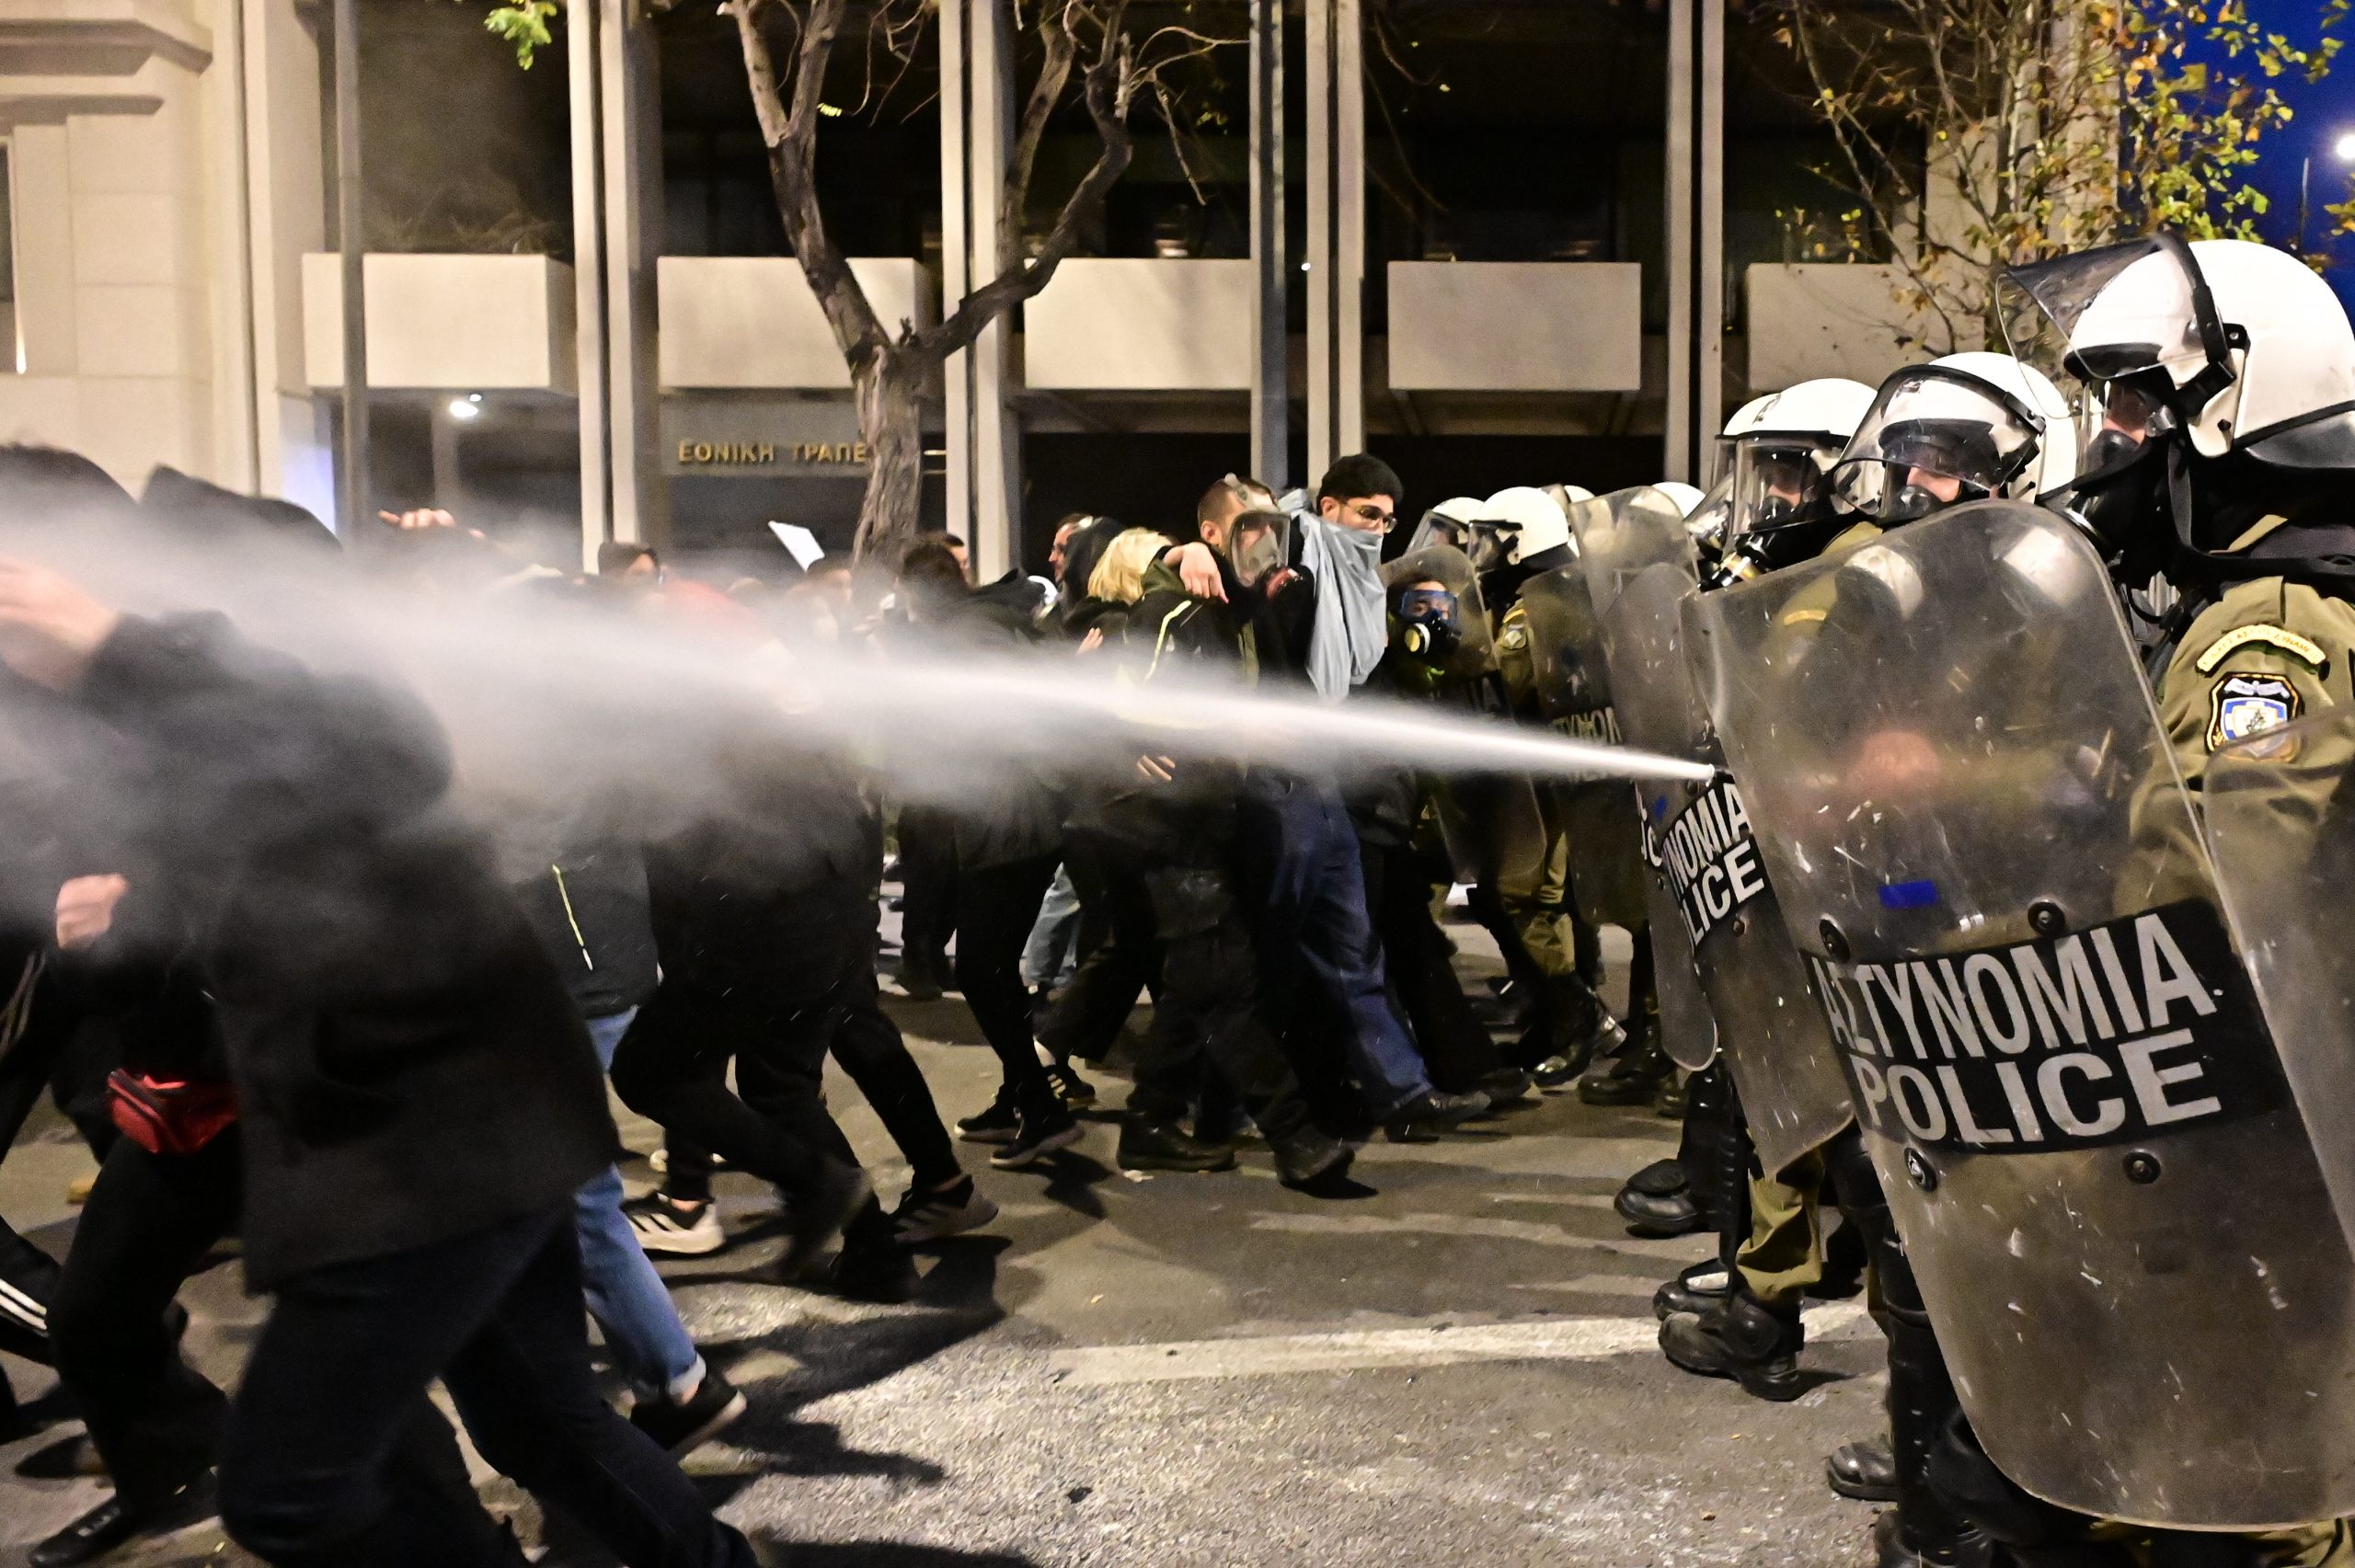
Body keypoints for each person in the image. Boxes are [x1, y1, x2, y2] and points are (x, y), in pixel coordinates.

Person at [0, 554, 766, 1568]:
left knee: (290, 1492)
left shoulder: (256, 680)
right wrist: (119, 925)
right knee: (533, 1422)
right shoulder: (152, 725)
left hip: (430, 1127)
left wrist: (111, 645)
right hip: (444, 1118)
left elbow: (379, 757)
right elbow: (232, 886)